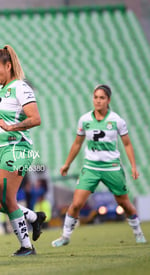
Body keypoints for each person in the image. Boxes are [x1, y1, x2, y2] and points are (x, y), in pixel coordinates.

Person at [51, 84, 147, 247]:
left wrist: (133, 166)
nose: (98, 101)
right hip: (91, 168)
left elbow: (127, 144)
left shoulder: (117, 120)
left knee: (124, 203)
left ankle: (138, 233)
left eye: (102, 98)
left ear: (108, 100)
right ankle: (65, 236)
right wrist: (67, 164)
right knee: (76, 204)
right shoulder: (85, 120)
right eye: (96, 97)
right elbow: (77, 143)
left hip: (112, 168)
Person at [0, 45, 45, 256]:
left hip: (18, 149)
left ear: (8, 65)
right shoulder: (0, 90)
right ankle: (33, 217)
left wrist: (12, 127)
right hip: (2, 149)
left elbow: (35, 119)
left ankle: (26, 247)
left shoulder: (21, 87)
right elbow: (1, 124)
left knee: (7, 198)